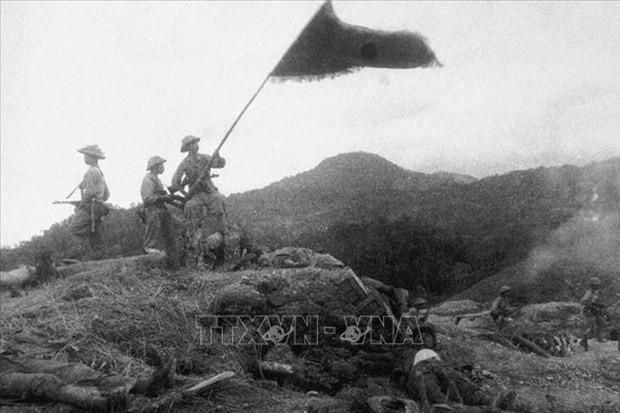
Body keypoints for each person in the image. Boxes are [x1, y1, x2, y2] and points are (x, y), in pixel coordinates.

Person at [0, 355, 174, 412]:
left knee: (75, 370)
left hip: (7, 360)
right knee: (42, 382)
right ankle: (98, 403)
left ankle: (143, 386)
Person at [169, 135, 227, 267]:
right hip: (196, 194)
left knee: (219, 200)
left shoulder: (205, 157)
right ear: (188, 147)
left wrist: (217, 157)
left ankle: (223, 232)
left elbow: (220, 164)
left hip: (210, 190)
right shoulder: (184, 164)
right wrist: (184, 193)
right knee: (190, 206)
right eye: (192, 144)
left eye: (195, 143)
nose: (196, 145)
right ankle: (193, 237)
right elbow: (175, 182)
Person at [404, 349, 516, 412]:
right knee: (465, 395)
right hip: (444, 404)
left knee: (464, 394)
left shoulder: (422, 370)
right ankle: (490, 406)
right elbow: (432, 392)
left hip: (448, 400)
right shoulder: (423, 367)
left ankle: (491, 406)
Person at [69, 145, 110, 258]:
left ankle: (75, 257)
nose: (84, 158)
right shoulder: (100, 173)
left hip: (90, 207)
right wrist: (98, 197)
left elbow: (89, 192)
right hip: (99, 208)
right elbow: (107, 194)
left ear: (92, 157)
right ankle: (100, 258)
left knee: (75, 230)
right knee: (96, 234)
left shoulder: (90, 172)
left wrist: (81, 205)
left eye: (86, 155)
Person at [580, 277, 604, 351]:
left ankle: (599, 338)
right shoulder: (589, 293)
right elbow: (583, 301)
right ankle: (583, 341)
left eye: (597, 284)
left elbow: (595, 302)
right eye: (595, 285)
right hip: (588, 311)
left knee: (600, 322)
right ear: (592, 286)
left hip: (593, 311)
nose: (597, 286)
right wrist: (593, 305)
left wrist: (599, 305)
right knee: (591, 327)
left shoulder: (595, 292)